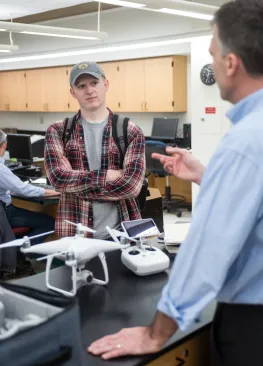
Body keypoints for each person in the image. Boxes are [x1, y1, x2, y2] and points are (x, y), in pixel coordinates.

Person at [88, 1, 263, 365]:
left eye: (214, 55)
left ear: (231, 64)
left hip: (252, 323)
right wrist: (208, 176)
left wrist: (156, 333)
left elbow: (208, 251)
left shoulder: (246, 141)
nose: (213, 64)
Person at [44, 61, 145, 239]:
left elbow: (131, 187)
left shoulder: (129, 130)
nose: (89, 90)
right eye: (81, 86)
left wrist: (75, 185)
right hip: (75, 234)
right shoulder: (58, 131)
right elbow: (58, 179)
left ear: (105, 85)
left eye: (94, 83)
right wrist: (105, 176)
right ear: (72, 92)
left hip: (122, 234)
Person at [0, 130, 59, 245]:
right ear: (4, 145)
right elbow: (23, 189)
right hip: (6, 214)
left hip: (5, 211)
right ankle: (16, 249)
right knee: (50, 222)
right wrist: (52, 191)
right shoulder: (1, 170)